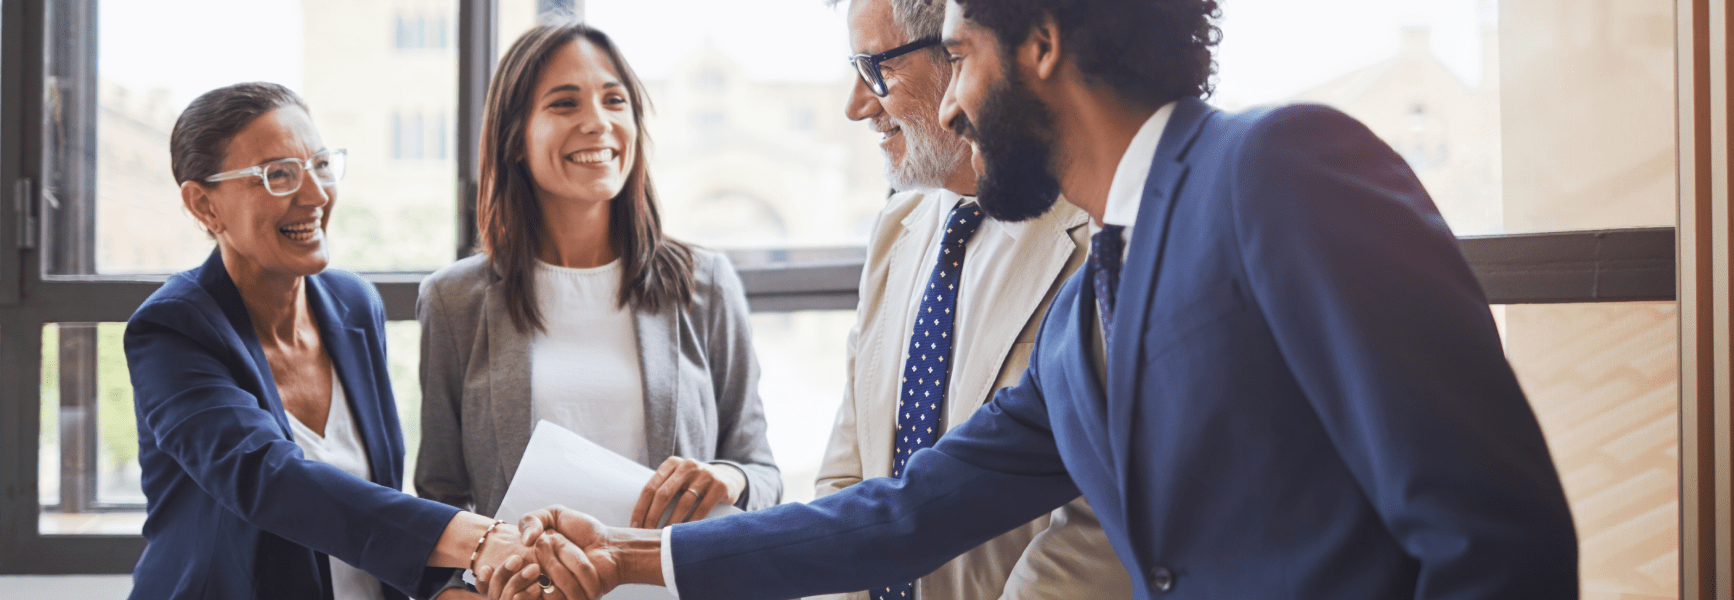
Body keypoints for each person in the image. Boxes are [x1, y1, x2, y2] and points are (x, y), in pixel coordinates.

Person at [494, 0, 1581, 599]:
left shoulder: (1280, 166)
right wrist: (628, 557)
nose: (953, 103)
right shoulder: (1084, 320)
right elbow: (904, 514)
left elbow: (1496, 538)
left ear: (1042, 45)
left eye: (959, 56)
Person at [124, 82, 527, 600]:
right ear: (204, 205)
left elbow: (372, 499)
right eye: (279, 175)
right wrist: (480, 538)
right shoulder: (173, 330)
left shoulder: (354, 305)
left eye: (319, 165)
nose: (314, 195)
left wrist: (446, 590)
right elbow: (269, 480)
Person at [412, 20, 781, 573]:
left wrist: (728, 477)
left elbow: (764, 474)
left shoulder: (704, 284)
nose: (598, 123)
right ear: (515, 136)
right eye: (564, 104)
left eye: (615, 100)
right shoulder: (454, 301)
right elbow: (440, 497)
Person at [813, 0, 1126, 599]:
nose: (856, 106)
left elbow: (1101, 516)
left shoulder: (1099, 235)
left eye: (874, 68)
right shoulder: (896, 227)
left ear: (961, 55)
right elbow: (848, 467)